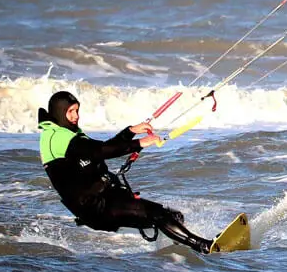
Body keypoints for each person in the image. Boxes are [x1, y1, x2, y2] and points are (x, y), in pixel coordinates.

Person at [38, 90, 213, 253]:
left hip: (105, 199)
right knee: (158, 214)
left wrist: (130, 132)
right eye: (70, 112)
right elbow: (102, 151)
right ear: (60, 112)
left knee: (173, 216)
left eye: (77, 110)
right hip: (95, 207)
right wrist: (140, 143)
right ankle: (205, 246)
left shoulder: (66, 133)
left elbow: (103, 148)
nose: (76, 116)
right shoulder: (57, 137)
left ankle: (177, 249)